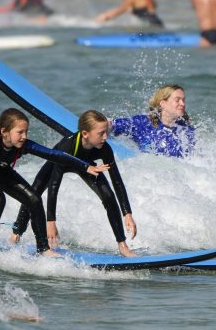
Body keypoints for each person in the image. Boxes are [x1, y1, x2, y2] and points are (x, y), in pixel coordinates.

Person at [0, 108, 111, 254]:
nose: (24, 136)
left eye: (26, 131)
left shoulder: (24, 145)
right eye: (20, 132)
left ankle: (43, 248)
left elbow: (54, 154)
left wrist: (85, 167)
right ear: (4, 132)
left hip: (0, 170)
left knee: (34, 199)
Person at [9, 110, 138, 257]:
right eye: (101, 133)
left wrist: (127, 213)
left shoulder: (105, 148)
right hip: (58, 162)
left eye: (106, 132)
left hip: (87, 167)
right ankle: (16, 233)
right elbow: (54, 185)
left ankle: (122, 245)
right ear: (85, 134)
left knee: (108, 196)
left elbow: (117, 181)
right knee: (34, 191)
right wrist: (51, 221)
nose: (105, 137)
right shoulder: (68, 146)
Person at [111, 84, 196, 158]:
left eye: (183, 100)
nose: (183, 104)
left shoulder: (187, 130)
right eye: (177, 100)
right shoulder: (143, 123)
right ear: (163, 104)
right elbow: (109, 125)